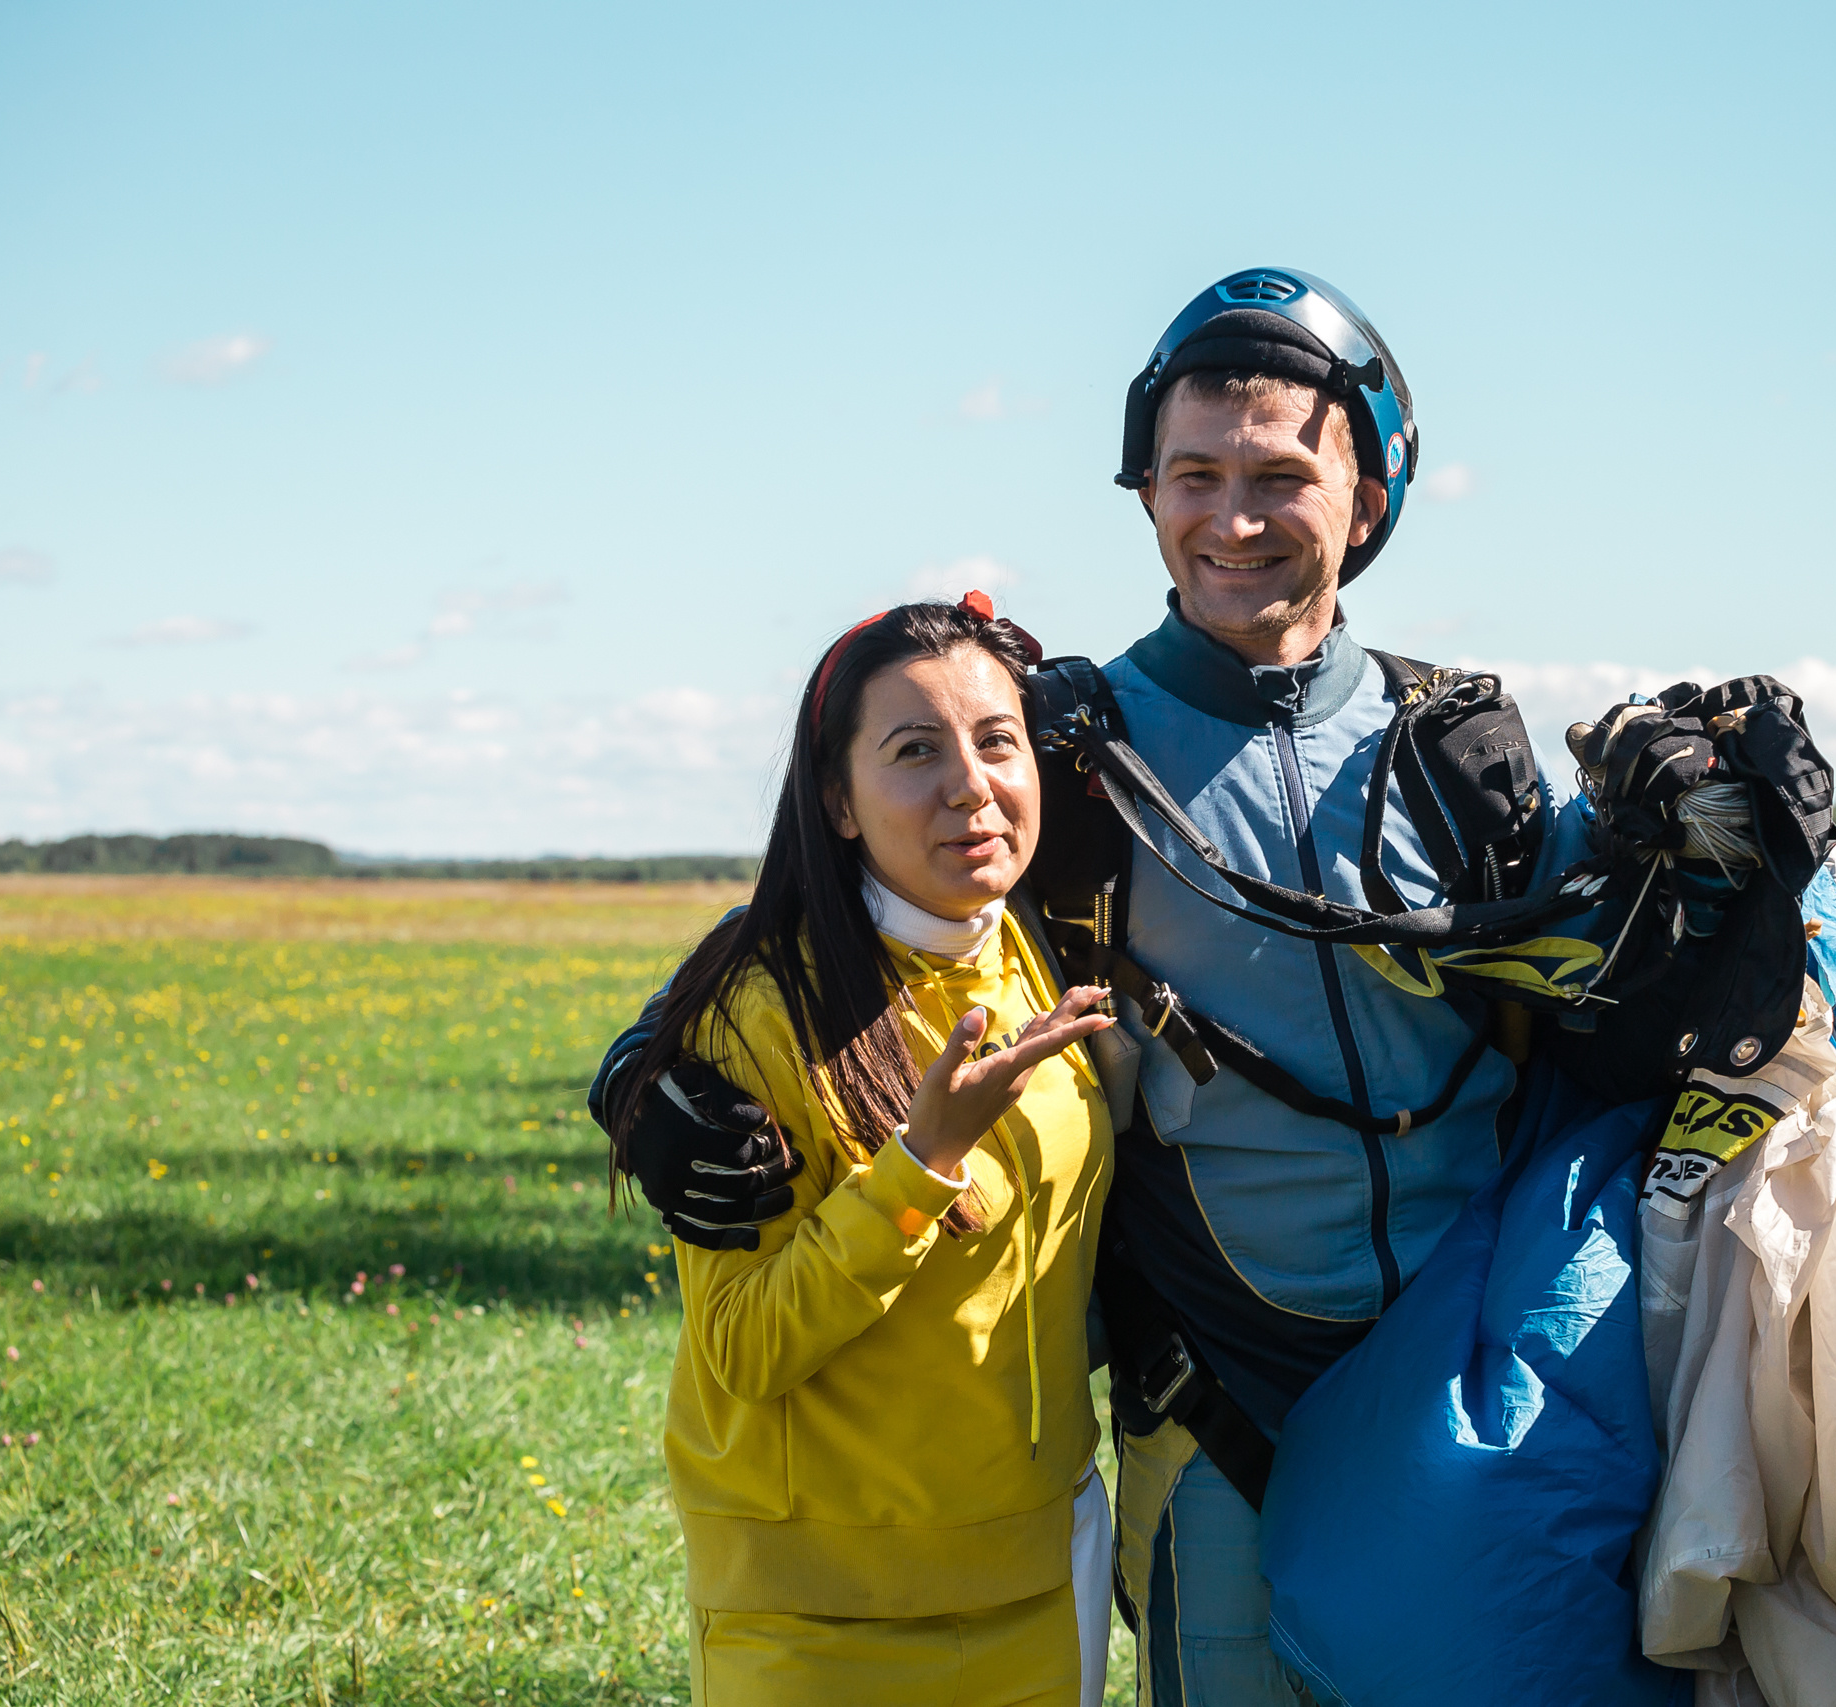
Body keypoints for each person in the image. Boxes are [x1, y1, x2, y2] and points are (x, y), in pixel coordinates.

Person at [594, 269, 1735, 1706]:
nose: (1232, 519)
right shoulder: (1067, 753)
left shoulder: (1460, 750)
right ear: (1146, 493)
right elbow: (844, 895)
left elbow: (1616, 1017)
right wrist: (641, 1069)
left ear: (1368, 500)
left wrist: (1712, 844)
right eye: (1195, 476)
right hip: (1218, 1418)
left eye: (1280, 477)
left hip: (1469, 1410)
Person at [607, 595, 1120, 1707]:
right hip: (819, 1616)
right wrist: (918, 1164)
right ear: (836, 800)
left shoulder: (1043, 946)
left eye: (997, 741)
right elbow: (745, 1347)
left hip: (1044, 1572)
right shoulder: (754, 1012)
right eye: (914, 751)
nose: (970, 786)